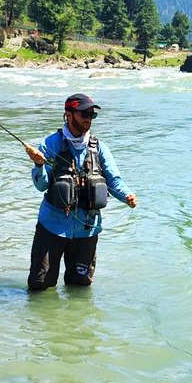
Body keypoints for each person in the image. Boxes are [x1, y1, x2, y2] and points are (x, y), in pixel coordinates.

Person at [22, 93, 137, 292]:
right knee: (40, 286)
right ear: (68, 114)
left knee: (80, 289)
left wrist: (127, 196)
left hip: (87, 230)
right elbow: (41, 186)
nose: (88, 118)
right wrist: (38, 165)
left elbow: (114, 181)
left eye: (92, 114)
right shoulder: (49, 144)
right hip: (52, 227)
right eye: (84, 113)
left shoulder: (99, 147)